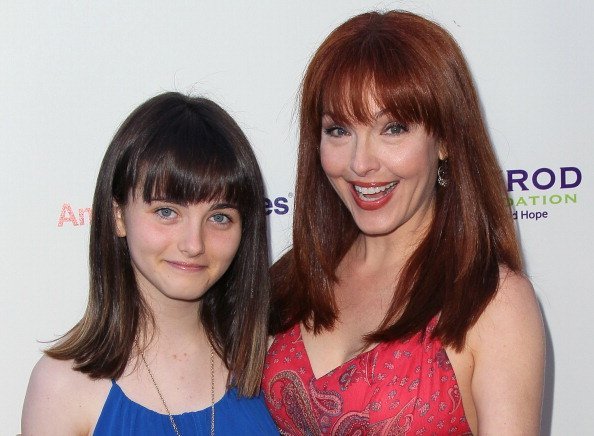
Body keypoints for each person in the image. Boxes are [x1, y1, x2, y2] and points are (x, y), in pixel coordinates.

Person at [263, 11, 544, 435]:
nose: (361, 163)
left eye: (393, 128)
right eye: (338, 130)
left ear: (446, 139)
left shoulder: (490, 301)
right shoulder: (291, 279)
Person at [22, 92, 279, 435]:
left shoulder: (274, 361)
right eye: (167, 212)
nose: (193, 244)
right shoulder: (63, 388)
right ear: (118, 216)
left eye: (219, 217)